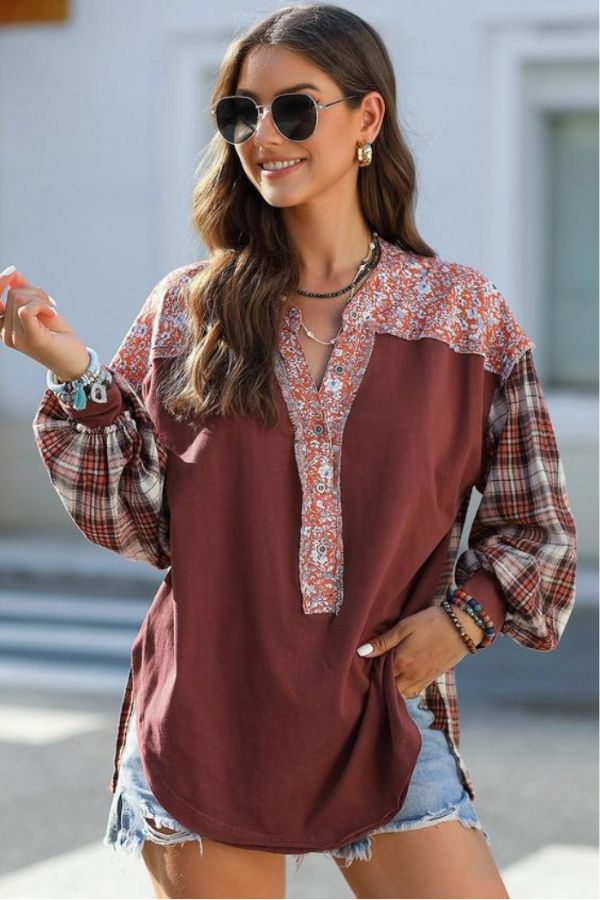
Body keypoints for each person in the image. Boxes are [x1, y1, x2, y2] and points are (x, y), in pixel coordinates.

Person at [1, 4, 577, 898]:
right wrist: (73, 371)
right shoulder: (189, 311)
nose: (262, 136)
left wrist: (465, 619)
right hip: (209, 726)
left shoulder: (464, 318)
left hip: (382, 719)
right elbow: (138, 523)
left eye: (294, 109)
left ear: (367, 118)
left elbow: (537, 527)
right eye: (241, 113)